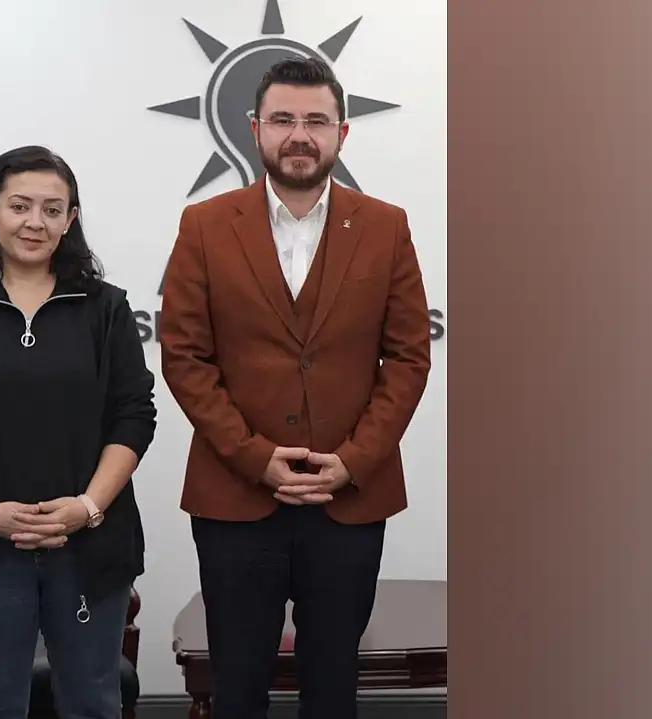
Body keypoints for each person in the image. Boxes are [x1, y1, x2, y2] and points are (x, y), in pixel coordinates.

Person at [159, 57, 433, 719]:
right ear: (255, 129)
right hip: (235, 498)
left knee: (334, 687)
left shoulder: (386, 226)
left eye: (316, 120)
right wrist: (255, 457)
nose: (300, 135)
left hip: (349, 499)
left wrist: (354, 461)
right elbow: (185, 357)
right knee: (237, 688)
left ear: (343, 132)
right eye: (283, 119)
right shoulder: (204, 224)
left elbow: (408, 358)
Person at [0, 145, 157, 719]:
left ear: (71, 219)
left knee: (92, 702)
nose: (35, 222)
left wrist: (88, 507)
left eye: (52, 209)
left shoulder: (105, 309)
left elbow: (133, 415)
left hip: (88, 542)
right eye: (20, 206)